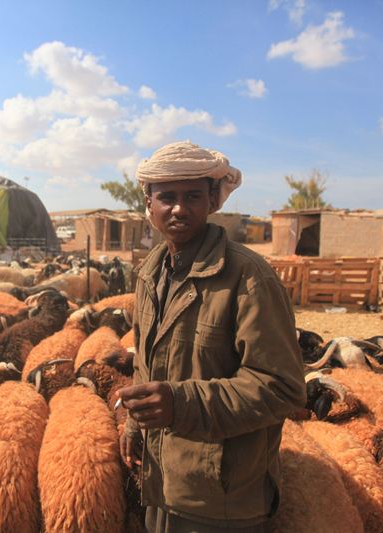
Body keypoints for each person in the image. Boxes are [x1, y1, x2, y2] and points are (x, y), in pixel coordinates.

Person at [117, 141, 306, 532]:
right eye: (167, 197)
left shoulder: (249, 277)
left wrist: (179, 404)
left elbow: (281, 388)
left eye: (193, 197)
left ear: (213, 202)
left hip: (222, 499)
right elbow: (145, 363)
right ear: (148, 203)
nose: (179, 209)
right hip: (161, 480)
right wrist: (136, 425)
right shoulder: (150, 273)